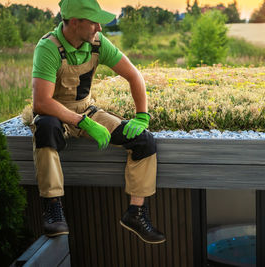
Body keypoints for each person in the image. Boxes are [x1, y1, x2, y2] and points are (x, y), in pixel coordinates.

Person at [30, 0, 165, 244]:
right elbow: (41, 102)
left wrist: (142, 115)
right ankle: (52, 206)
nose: (99, 28)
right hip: (55, 114)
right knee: (46, 127)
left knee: (144, 141)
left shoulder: (98, 43)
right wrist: (81, 122)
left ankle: (136, 212)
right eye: (93, 22)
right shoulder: (48, 48)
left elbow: (134, 75)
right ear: (74, 22)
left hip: (87, 110)